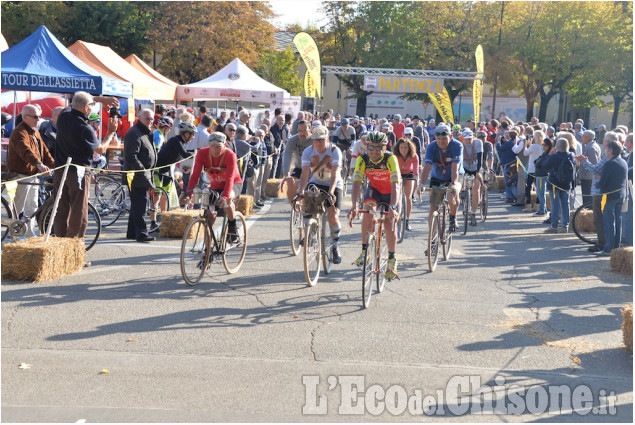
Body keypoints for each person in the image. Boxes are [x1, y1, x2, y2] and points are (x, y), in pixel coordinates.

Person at [54, 91, 118, 248]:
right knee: (79, 210)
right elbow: (101, 149)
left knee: (61, 208)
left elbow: (75, 102)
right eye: (92, 105)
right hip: (78, 172)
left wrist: (99, 99)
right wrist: (111, 132)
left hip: (61, 169)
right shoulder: (84, 127)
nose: (93, 108)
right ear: (85, 108)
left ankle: (59, 244)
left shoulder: (64, 115)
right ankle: (73, 247)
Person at [350, 131, 401, 280]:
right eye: (371, 147)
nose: (374, 151)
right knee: (367, 212)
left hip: (391, 193)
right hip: (375, 191)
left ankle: (392, 259)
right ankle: (364, 252)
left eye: (379, 148)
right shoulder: (363, 159)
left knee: (389, 223)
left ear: (385, 148)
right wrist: (354, 205)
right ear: (367, 146)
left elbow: (396, 184)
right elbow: (356, 184)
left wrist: (393, 206)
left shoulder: (390, 158)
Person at [297, 126, 344, 264]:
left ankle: (335, 246)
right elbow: (305, 174)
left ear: (327, 139)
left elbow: (335, 175)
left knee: (333, 215)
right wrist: (301, 191)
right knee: (307, 199)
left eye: (321, 140)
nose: (318, 144)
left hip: (333, 184)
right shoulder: (307, 152)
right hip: (316, 182)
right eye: (315, 141)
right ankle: (310, 232)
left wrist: (330, 193)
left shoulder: (335, 151)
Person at [6, 105, 55, 238]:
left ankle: (29, 232)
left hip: (32, 173)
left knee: (32, 206)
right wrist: (39, 164)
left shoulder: (35, 131)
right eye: (35, 116)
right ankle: (13, 232)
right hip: (21, 174)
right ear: (25, 117)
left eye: (39, 116)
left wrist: (55, 164)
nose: (38, 119)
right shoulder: (19, 132)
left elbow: (44, 151)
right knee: (18, 206)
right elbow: (25, 151)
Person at [186, 132, 243, 242]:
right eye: (212, 146)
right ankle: (207, 252)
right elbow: (195, 174)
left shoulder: (230, 155)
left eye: (218, 147)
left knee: (227, 199)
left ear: (224, 145)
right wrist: (188, 193)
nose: (215, 150)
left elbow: (230, 177)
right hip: (215, 186)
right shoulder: (202, 153)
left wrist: (225, 195)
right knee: (209, 217)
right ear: (209, 145)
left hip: (234, 183)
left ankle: (232, 225)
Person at [151, 121, 197, 232]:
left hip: (166, 171)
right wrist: (199, 153)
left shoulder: (181, 142)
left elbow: (182, 157)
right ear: (185, 133)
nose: (193, 137)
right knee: (156, 197)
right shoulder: (176, 140)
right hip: (158, 170)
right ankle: (153, 222)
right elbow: (185, 154)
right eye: (191, 134)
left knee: (165, 196)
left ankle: (164, 219)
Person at [419, 124, 464, 233]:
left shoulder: (457, 145)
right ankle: (433, 239)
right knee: (433, 207)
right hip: (437, 176)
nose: (441, 142)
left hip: (455, 175)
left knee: (454, 195)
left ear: (451, 137)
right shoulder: (431, 147)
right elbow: (427, 167)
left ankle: (453, 217)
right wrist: (421, 184)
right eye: (438, 139)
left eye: (444, 138)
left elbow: (455, 166)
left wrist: (453, 184)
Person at [124, 108, 157, 242]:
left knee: (137, 205)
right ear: (140, 118)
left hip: (143, 174)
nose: (150, 121)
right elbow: (131, 156)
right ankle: (142, 233)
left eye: (152, 119)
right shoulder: (134, 133)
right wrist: (142, 171)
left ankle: (132, 232)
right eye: (147, 118)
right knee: (140, 205)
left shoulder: (144, 132)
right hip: (136, 175)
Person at [596, 140, 628, 256]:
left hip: (609, 196)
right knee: (617, 222)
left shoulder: (609, 163)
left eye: (606, 150)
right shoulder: (623, 161)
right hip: (620, 195)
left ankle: (608, 249)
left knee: (609, 223)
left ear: (611, 151)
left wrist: (598, 183)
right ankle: (615, 247)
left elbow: (604, 181)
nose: (605, 152)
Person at [542, 138, 575, 233]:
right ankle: (565, 226)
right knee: (565, 204)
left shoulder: (555, 156)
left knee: (555, 205)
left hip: (554, 183)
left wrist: (549, 154)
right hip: (566, 183)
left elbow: (544, 165)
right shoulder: (571, 155)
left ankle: (554, 226)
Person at [282, 120, 313, 203]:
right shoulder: (292, 140)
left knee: (310, 189)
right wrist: (286, 173)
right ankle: (293, 205)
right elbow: (287, 155)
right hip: (299, 167)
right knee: (291, 183)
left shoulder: (314, 140)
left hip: (313, 169)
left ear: (310, 130)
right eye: (299, 131)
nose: (302, 133)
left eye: (304, 131)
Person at [393, 137, 418, 231]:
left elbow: (416, 172)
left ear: (409, 148)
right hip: (398, 173)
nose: (403, 150)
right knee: (395, 195)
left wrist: (417, 181)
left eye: (406, 147)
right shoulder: (395, 156)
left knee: (408, 197)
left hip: (409, 174)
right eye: (401, 147)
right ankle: (394, 216)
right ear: (398, 148)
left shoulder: (414, 156)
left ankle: (407, 220)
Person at [461, 128, 483, 225]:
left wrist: (478, 171)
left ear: (473, 137)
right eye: (466, 139)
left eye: (470, 138)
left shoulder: (478, 143)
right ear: (462, 138)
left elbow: (480, 158)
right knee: (459, 183)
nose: (468, 141)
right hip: (465, 167)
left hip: (475, 167)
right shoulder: (460, 144)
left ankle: (473, 213)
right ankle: (463, 195)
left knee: (475, 189)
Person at [523, 130, 545, 212]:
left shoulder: (533, 146)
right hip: (539, 169)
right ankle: (537, 205)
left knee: (528, 186)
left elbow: (525, 153)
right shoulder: (542, 146)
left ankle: (528, 206)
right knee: (539, 187)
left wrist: (526, 144)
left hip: (532, 168)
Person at [579, 130, 601, 207]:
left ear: (588, 138)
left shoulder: (591, 148)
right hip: (587, 176)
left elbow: (593, 163)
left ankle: (589, 215)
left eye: (583, 136)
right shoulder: (591, 146)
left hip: (588, 177)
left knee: (587, 200)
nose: (581, 138)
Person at [533, 139, 553, 217]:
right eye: (543, 145)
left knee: (541, 193)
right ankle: (542, 209)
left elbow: (540, 163)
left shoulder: (548, 154)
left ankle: (542, 211)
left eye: (544, 145)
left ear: (548, 146)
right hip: (539, 175)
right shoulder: (545, 154)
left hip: (542, 175)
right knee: (539, 193)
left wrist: (538, 162)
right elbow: (536, 162)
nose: (543, 146)